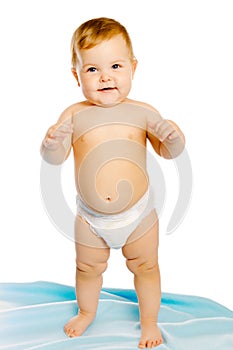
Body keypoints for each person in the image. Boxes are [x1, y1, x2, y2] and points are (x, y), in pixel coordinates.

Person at [40, 17, 185, 349]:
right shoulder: (73, 115)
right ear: (76, 76)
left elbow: (167, 151)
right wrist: (51, 145)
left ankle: (149, 321)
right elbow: (56, 158)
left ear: (133, 68)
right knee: (87, 268)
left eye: (116, 65)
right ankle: (86, 311)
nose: (105, 76)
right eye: (92, 70)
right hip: (91, 219)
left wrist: (174, 137)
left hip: (138, 215)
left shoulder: (143, 112)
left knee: (146, 266)